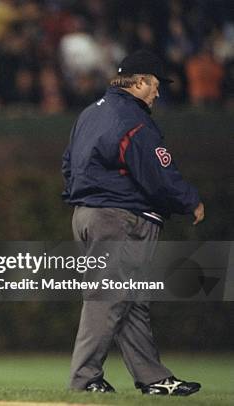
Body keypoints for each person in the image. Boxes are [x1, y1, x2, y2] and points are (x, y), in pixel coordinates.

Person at [61, 50, 204, 396]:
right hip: (118, 217)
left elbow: (68, 165)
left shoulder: (89, 114)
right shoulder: (133, 120)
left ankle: (153, 377)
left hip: (87, 213)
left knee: (131, 299)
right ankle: (84, 379)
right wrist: (190, 200)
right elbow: (158, 175)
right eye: (155, 85)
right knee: (107, 296)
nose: (158, 92)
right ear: (139, 82)